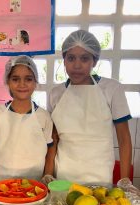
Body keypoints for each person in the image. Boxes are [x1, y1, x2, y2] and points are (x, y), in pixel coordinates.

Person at [43, 29, 132, 186]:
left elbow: (124, 139)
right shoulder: (56, 93)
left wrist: (125, 180)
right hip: (64, 177)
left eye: (84, 58)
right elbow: (54, 139)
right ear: (64, 60)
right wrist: (48, 174)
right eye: (71, 58)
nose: (77, 65)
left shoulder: (112, 89)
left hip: (100, 178)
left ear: (94, 61)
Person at [0, 55, 55, 183]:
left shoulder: (44, 116)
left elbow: (50, 150)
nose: (22, 84)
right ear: (8, 82)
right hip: (2, 185)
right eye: (15, 79)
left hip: (34, 186)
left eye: (28, 79)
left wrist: (47, 176)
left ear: (35, 82)